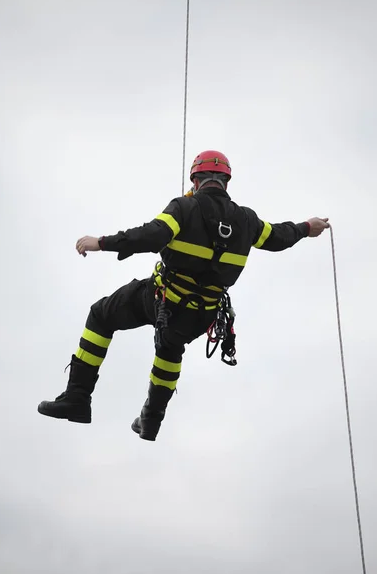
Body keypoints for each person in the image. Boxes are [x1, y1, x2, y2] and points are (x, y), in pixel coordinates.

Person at [38, 150, 329, 441]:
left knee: (101, 315)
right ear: (226, 182)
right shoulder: (247, 221)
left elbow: (151, 235)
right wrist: (307, 227)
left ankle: (77, 397)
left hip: (163, 298)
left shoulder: (184, 207)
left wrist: (101, 242)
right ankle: (150, 421)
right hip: (201, 316)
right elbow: (279, 236)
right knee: (169, 348)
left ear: (195, 178)